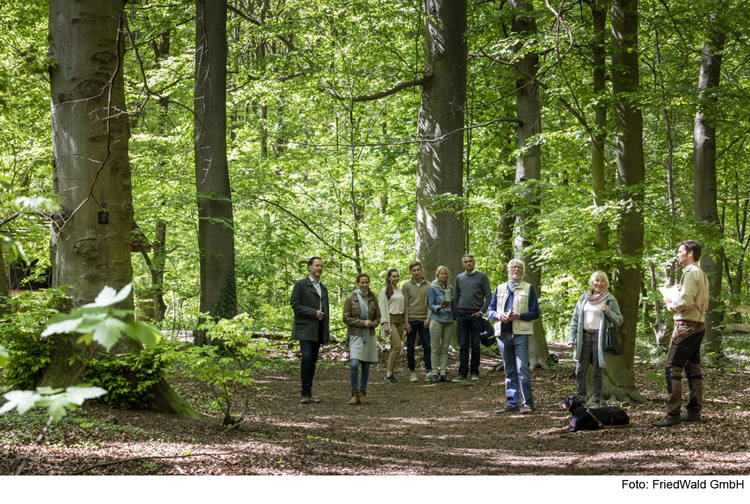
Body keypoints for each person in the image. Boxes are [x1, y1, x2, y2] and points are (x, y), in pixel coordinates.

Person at [652, 240, 710, 427]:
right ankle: (693, 411)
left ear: (690, 253)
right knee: (693, 369)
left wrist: (671, 305)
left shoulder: (691, 272)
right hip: (697, 324)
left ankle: (673, 414)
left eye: (680, 251)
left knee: (672, 367)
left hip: (687, 326)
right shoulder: (699, 273)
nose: (677, 255)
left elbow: (686, 300)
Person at [487, 258, 539, 413]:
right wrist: (498, 315)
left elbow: (535, 313)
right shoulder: (500, 288)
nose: (516, 270)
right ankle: (512, 403)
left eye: (520, 268)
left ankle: (528, 403)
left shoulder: (529, 288)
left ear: (523, 272)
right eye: (513, 267)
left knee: (522, 368)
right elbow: (490, 311)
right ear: (508, 271)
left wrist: (520, 316)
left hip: (520, 333)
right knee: (509, 369)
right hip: (503, 334)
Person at [567, 271, 623, 407]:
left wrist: (608, 311)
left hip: (600, 338)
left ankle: (595, 402)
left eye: (602, 281)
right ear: (592, 282)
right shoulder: (584, 298)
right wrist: (571, 338)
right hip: (584, 337)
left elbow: (619, 320)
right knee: (580, 370)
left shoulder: (610, 299)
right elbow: (575, 319)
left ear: (606, 284)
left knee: (598, 371)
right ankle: (580, 399)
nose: (599, 283)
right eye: (597, 280)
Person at [290, 257, 330, 404]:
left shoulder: (323, 288)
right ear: (309, 267)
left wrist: (326, 333)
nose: (319, 268)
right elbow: (294, 305)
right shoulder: (301, 285)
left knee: (313, 361)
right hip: (305, 328)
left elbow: (326, 312)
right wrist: (313, 312)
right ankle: (304, 393)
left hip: (318, 330)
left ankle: (309, 393)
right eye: (316, 265)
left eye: (321, 266)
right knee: (306, 358)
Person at [452, 254, 492, 382]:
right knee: (463, 345)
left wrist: (481, 311)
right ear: (463, 264)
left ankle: (474, 372)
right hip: (462, 315)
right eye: (466, 262)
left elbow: (489, 296)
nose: (468, 263)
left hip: (476, 316)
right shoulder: (459, 278)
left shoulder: (482, 277)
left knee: (475, 344)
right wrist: (456, 315)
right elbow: (456, 297)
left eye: (470, 261)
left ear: (474, 263)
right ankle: (462, 373)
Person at [343, 273, 381, 405]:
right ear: (357, 283)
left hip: (369, 335)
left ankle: (363, 393)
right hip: (355, 335)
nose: (364, 285)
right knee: (354, 364)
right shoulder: (350, 299)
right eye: (362, 282)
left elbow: (378, 317)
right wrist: (362, 323)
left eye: (366, 282)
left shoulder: (372, 298)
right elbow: (346, 318)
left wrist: (372, 324)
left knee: (366, 365)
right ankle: (354, 393)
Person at [402, 261, 433, 381]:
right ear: (411, 272)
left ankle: (429, 371)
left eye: (418, 270)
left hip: (424, 320)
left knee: (427, 345)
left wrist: (428, 318)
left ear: (421, 270)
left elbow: (430, 303)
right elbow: (405, 304)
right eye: (414, 270)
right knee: (410, 346)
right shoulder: (406, 286)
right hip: (411, 320)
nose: (416, 272)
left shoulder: (429, 285)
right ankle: (412, 371)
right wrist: (406, 321)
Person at [427, 265, 455, 383]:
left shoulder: (450, 288)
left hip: (448, 320)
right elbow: (430, 304)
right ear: (437, 275)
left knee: (445, 348)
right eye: (441, 274)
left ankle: (443, 372)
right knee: (435, 348)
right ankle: (434, 373)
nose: (444, 275)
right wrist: (440, 307)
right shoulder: (433, 288)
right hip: (437, 320)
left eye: (445, 274)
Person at [379, 269, 405, 384]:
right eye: (394, 276)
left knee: (394, 347)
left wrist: (406, 322)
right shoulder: (385, 291)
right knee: (398, 345)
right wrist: (385, 324)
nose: (396, 278)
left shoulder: (400, 290)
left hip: (400, 320)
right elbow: (382, 308)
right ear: (389, 278)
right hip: (391, 320)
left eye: (397, 276)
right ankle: (389, 373)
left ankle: (390, 372)